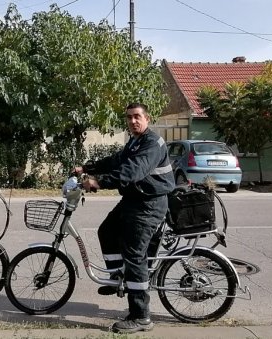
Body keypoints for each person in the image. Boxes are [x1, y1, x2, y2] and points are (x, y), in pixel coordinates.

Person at [74, 103, 175, 334]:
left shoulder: (152, 143)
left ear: (147, 118)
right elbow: (117, 160)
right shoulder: (134, 142)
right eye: (129, 118)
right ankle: (118, 275)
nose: (132, 121)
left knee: (135, 255)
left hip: (149, 205)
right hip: (134, 201)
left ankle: (141, 316)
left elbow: (132, 171)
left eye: (137, 117)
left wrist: (99, 182)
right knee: (106, 230)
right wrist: (86, 168)